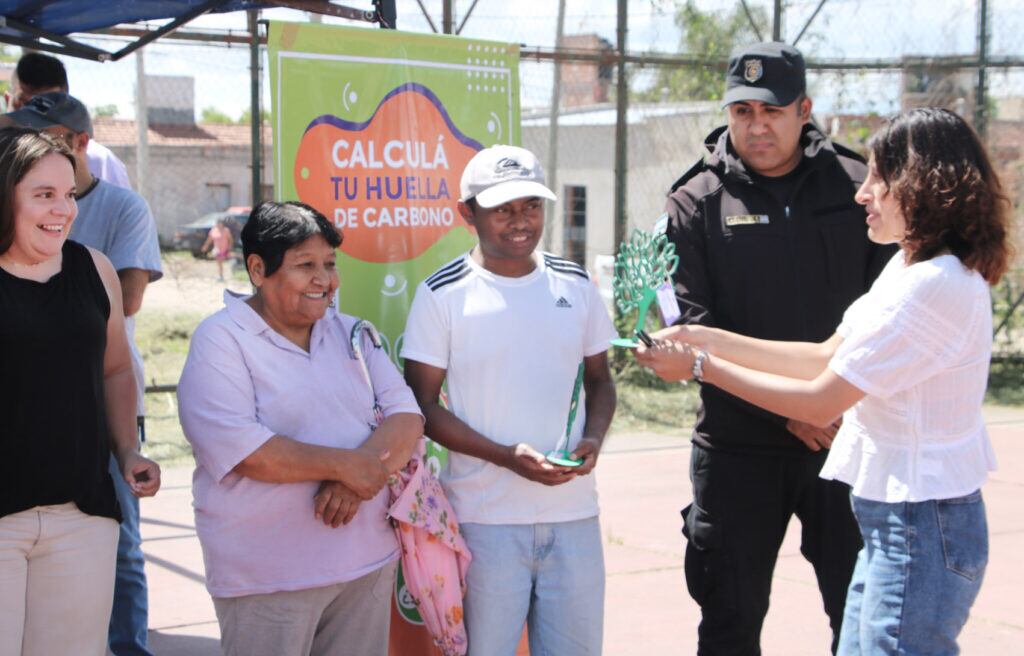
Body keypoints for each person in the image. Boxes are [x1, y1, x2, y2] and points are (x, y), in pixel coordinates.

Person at [638, 107, 1012, 655]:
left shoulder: (935, 284)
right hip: (893, 521)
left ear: (923, 187)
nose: (865, 193)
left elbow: (821, 399)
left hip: (921, 528)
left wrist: (700, 366)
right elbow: (823, 355)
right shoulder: (909, 264)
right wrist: (707, 339)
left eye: (881, 181)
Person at [655, 41, 896, 654]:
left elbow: (888, 309)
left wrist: (832, 405)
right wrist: (795, 406)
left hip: (847, 442)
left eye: (771, 111)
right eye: (742, 112)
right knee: (730, 624)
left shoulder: (855, 188)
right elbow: (689, 325)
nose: (756, 127)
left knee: (863, 618)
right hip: (738, 449)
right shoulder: (695, 201)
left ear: (803, 109)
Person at [177, 201, 424, 656]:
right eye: (305, 266)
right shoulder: (221, 339)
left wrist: (353, 482)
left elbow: (406, 418)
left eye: (330, 265)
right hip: (268, 576)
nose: (324, 280)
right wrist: (348, 466)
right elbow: (245, 450)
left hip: (365, 565)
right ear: (257, 268)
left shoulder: (351, 332)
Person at [402, 145, 618, 656]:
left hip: (574, 517)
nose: (520, 221)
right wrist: (505, 457)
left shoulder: (575, 284)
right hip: (485, 522)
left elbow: (601, 380)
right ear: (467, 214)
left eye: (531, 206)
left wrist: (592, 438)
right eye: (503, 208)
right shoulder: (442, 294)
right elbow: (422, 408)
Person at [6, 92, 163, 656]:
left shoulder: (93, 269)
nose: (64, 210)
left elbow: (116, 367)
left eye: (68, 194)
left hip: (81, 515)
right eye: (43, 195)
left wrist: (127, 452)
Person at [5, 52, 132, 189]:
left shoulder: (99, 161)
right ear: (8, 100)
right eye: (24, 104)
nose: (33, 123)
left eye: (47, 108)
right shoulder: (4, 153)